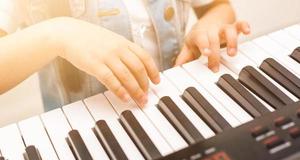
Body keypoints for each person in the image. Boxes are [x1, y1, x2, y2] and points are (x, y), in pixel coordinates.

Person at [0, 0, 250, 110]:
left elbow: (219, 6)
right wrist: (58, 33)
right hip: (91, 132)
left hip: (177, 109)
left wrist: (208, 26)